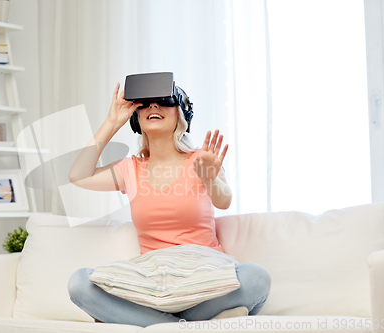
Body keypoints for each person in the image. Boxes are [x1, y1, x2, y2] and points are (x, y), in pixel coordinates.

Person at [67, 81, 271, 328]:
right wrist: (112, 122)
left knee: (257, 277)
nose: (154, 105)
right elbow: (78, 175)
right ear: (136, 119)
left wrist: (210, 179)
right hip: (152, 280)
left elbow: (224, 200)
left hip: (204, 277)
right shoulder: (130, 168)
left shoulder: (201, 160)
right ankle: (184, 325)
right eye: (145, 103)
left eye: (165, 100)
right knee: (79, 283)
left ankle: (157, 325)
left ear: (182, 116)